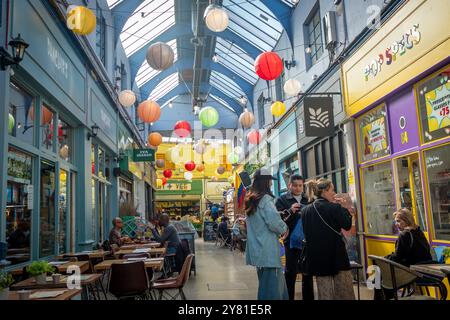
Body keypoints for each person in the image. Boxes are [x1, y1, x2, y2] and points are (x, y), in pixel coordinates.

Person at [301, 178, 355, 300]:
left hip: (317, 259)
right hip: (337, 257)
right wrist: (345, 208)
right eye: (332, 190)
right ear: (324, 191)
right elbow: (346, 225)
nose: (334, 193)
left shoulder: (305, 211)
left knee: (324, 293)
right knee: (344, 291)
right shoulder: (335, 208)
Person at [244, 168, 289, 300]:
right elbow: (274, 222)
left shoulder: (251, 200)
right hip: (268, 251)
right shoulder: (265, 200)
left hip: (258, 251)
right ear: (265, 181)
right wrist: (285, 228)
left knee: (266, 285)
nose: (270, 183)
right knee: (272, 290)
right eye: (269, 180)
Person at [275, 174, 314, 301]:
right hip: (289, 241)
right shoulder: (281, 200)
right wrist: (290, 211)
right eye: (295, 185)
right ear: (289, 185)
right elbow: (278, 220)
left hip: (307, 241)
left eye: (300, 185)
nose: (298, 188)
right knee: (290, 273)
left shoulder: (308, 199)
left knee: (307, 273)